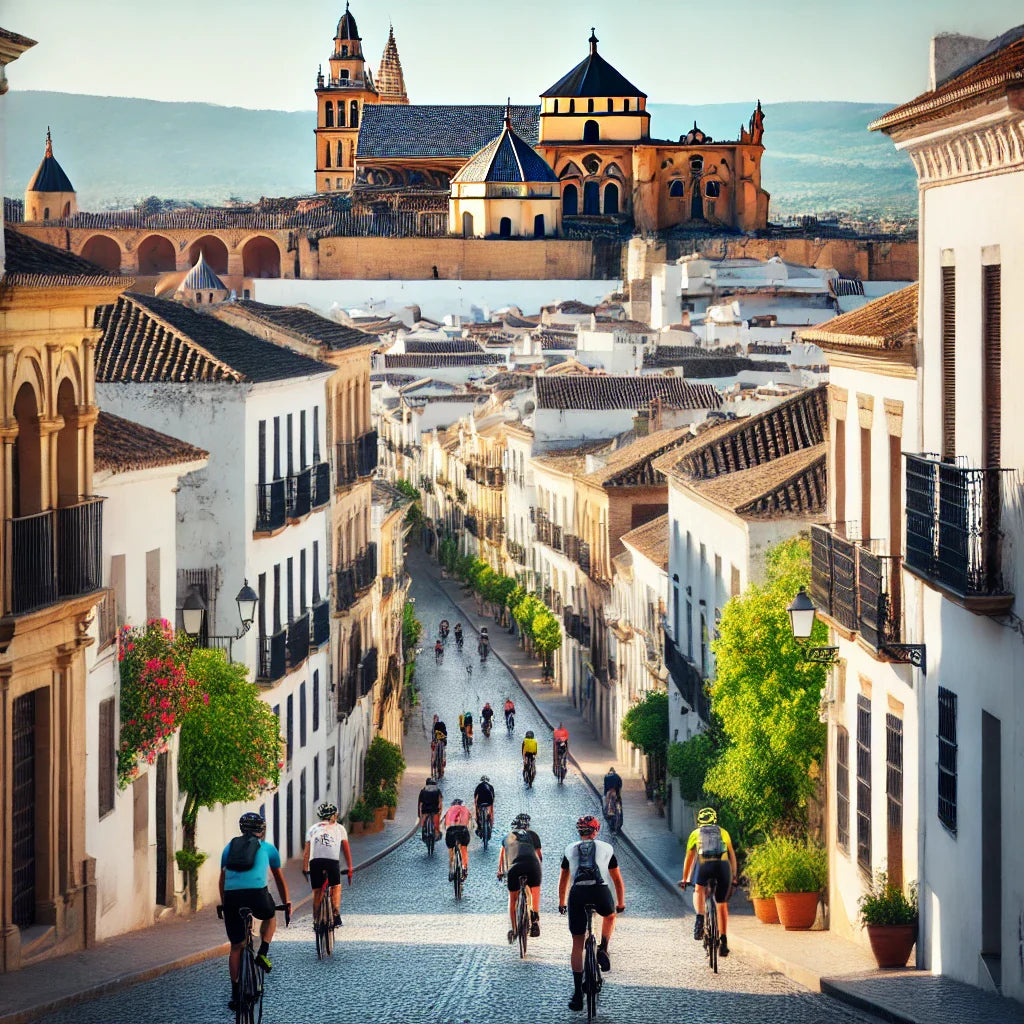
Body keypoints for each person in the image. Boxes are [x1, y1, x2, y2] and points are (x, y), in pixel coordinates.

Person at [219, 812, 291, 1012]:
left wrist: (225, 903)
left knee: (236, 946)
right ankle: (263, 953)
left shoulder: (229, 848)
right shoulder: (267, 848)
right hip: (257, 896)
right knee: (269, 916)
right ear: (261, 830)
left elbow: (222, 879)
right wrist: (286, 902)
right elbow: (278, 877)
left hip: (232, 898)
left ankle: (235, 993)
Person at [558, 815, 625, 1013]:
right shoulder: (606, 848)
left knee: (577, 943)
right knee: (610, 915)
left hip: (578, 894)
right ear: (595, 831)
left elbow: (563, 880)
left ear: (579, 832)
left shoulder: (570, 849)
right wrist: (620, 904)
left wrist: (562, 902)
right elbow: (617, 880)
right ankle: (603, 948)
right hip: (600, 891)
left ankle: (578, 994)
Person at [680, 807, 738, 958]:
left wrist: (685, 879)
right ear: (715, 819)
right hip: (723, 867)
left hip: (705, 866)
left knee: (698, 890)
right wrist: (735, 876)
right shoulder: (723, 832)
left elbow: (689, 858)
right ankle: (723, 941)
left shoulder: (695, 833)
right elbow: (731, 854)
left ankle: (700, 918)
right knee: (721, 902)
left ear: (699, 821)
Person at [302, 802, 353, 928]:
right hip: (332, 862)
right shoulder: (340, 828)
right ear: (334, 816)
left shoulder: (312, 828)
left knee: (317, 892)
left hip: (315, 862)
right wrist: (350, 867)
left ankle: (315, 921)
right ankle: (336, 915)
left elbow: (307, 851)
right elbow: (346, 849)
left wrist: (305, 869)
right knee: (335, 887)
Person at [497, 813, 543, 941]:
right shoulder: (533, 835)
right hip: (532, 865)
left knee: (513, 899)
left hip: (515, 867)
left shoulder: (507, 837)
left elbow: (502, 856)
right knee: (535, 889)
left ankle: (514, 929)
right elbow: (539, 857)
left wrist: (500, 871)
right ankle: (535, 915)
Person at [443, 798, 471, 880]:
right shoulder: (465, 809)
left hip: (451, 830)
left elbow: (445, 825)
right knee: (464, 848)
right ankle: (464, 868)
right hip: (463, 830)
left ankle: (451, 869)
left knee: (451, 850)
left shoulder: (449, 810)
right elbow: (469, 824)